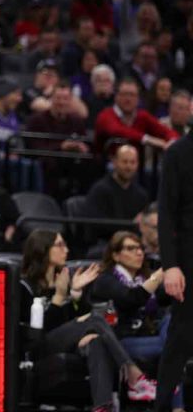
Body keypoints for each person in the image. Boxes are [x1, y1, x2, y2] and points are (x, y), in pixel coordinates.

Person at [19, 230, 156, 411]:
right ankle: (133, 374)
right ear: (42, 249)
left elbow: (77, 320)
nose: (66, 250)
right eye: (60, 245)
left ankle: (102, 407)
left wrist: (76, 295)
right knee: (95, 319)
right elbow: (38, 331)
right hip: (39, 347)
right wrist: (59, 297)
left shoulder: (66, 279)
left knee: (96, 342)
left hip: (69, 342)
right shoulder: (25, 286)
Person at [90, 231, 182, 411]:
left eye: (140, 248)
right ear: (115, 255)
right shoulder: (106, 280)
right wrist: (162, 272)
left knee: (173, 319)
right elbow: (132, 298)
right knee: (174, 349)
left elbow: (167, 296)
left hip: (151, 337)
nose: (139, 253)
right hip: (121, 341)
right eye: (131, 249)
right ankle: (178, 408)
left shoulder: (144, 278)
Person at [155, 120, 193, 410]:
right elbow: (166, 213)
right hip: (187, 262)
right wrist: (170, 265)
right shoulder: (178, 152)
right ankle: (163, 406)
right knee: (179, 341)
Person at [94, 78, 178, 154]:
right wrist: (146, 139)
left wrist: (171, 143)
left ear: (138, 99)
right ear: (116, 96)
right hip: (105, 166)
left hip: (138, 167)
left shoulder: (142, 116)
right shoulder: (106, 115)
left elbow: (167, 132)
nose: (128, 99)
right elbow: (116, 130)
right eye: (124, 94)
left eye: (132, 95)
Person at [85, 144, 148, 240]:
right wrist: (131, 225)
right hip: (105, 244)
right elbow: (96, 226)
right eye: (124, 162)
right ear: (114, 162)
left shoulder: (141, 194)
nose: (128, 166)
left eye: (133, 162)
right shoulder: (100, 190)